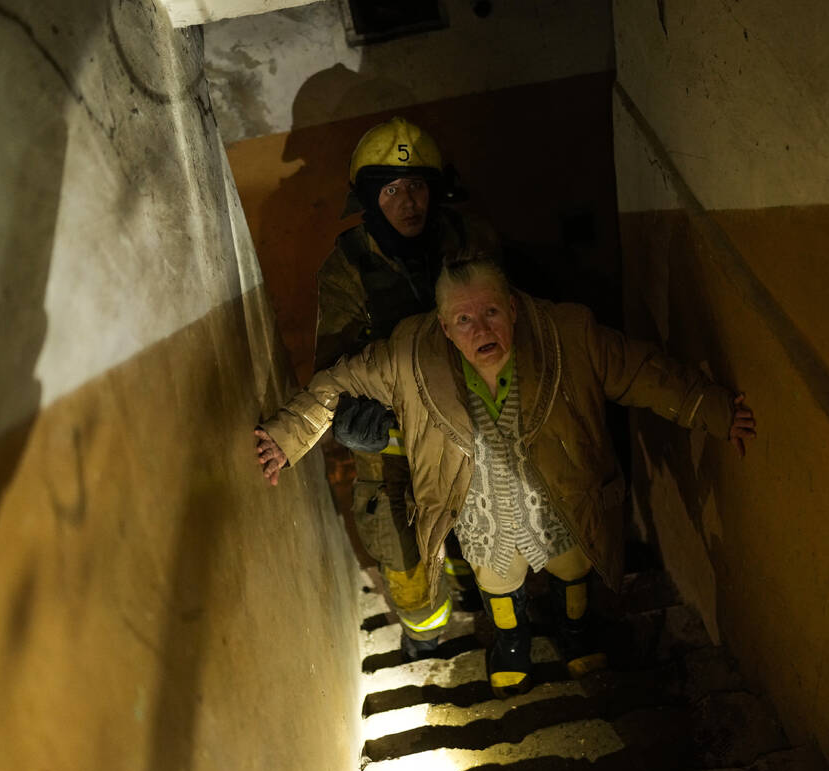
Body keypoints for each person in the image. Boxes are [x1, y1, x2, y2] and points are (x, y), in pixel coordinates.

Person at [254, 255, 757, 697]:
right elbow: (338, 382)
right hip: (480, 507)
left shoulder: (568, 335)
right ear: (445, 328)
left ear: (513, 308)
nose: (481, 330)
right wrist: (287, 435)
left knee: (569, 562)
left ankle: (575, 630)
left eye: (491, 312)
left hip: (557, 494)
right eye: (464, 320)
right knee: (497, 574)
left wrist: (711, 409)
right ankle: (511, 643)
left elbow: (642, 371)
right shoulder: (410, 354)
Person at [309, 117, 496, 661]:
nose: (408, 202)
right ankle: (426, 639)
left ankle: (489, 606)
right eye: (391, 190)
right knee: (407, 557)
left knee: (484, 525)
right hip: (394, 452)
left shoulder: (470, 241)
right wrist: (369, 424)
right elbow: (332, 373)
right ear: (369, 199)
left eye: (417, 186)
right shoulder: (347, 269)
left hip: (475, 432)